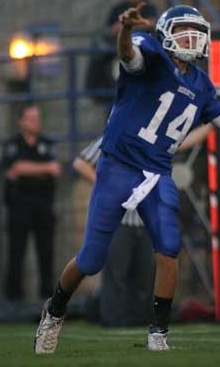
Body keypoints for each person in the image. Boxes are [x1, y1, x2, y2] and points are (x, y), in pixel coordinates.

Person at [34, 3, 220, 354]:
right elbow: (129, 57)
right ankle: (54, 311)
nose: (191, 38)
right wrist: (126, 32)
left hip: (157, 171)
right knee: (91, 259)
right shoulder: (150, 50)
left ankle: (158, 330)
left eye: (196, 31)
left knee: (168, 249)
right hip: (119, 164)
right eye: (182, 31)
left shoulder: (203, 85)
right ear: (165, 34)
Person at [73, 137, 154, 327]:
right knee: (117, 273)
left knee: (145, 274)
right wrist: (104, 184)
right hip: (119, 219)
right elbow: (80, 162)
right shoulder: (116, 135)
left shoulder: (155, 139)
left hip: (146, 220)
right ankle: (113, 319)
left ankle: (139, 318)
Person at [2, 104, 62, 301]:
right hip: (19, 205)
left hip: (43, 204)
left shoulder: (47, 143)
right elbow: (16, 167)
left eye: (37, 118)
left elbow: (56, 169)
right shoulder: (12, 144)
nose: (35, 122)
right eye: (31, 118)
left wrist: (28, 169)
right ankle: (13, 301)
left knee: (46, 253)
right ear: (21, 121)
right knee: (16, 253)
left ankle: (47, 301)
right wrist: (43, 168)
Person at [86, 0, 158, 106]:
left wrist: (128, 25)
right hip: (120, 56)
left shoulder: (149, 8)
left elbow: (153, 25)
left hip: (144, 56)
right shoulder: (118, 8)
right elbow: (108, 30)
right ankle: (98, 94)